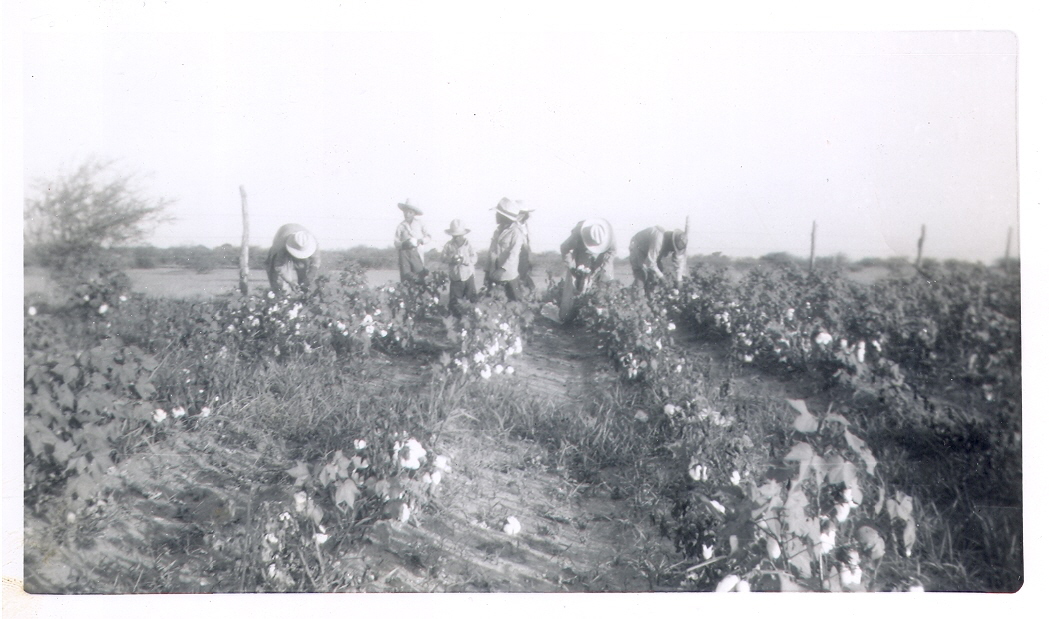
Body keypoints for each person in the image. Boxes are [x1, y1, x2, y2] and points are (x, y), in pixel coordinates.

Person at [558, 218, 616, 321]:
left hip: (602, 258)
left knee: (604, 283)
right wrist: (572, 267)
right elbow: (564, 247)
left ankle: (601, 318)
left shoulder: (609, 236)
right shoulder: (578, 233)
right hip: (582, 255)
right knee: (576, 286)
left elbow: (611, 252)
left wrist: (602, 268)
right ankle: (569, 317)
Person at [629, 219, 689, 293]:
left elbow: (678, 261)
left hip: (651, 251)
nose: (673, 251)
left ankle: (650, 295)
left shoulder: (675, 241)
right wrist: (662, 277)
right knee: (641, 273)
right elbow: (650, 262)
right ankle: (636, 296)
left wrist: (679, 280)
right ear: (672, 242)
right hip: (638, 248)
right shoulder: (658, 239)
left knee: (657, 273)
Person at [485, 198, 526, 302]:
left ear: (504, 217)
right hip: (494, 274)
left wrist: (502, 269)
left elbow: (514, 254)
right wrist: (487, 270)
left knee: (515, 305)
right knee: (494, 305)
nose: (496, 216)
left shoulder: (516, 232)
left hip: (509, 276)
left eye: (498, 214)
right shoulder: (497, 231)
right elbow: (491, 252)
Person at [266, 223, 320, 296]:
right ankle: (280, 299)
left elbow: (315, 263)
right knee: (279, 285)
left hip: (294, 237)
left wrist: (308, 279)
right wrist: (290, 281)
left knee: (304, 281)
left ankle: (302, 296)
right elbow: (278, 266)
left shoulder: (312, 242)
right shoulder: (280, 246)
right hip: (282, 239)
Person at [440, 219, 478, 316]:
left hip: (468, 276)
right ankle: (455, 320)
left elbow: (474, 258)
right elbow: (443, 258)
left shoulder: (468, 245)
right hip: (455, 277)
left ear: (463, 235)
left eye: (459, 236)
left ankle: (471, 319)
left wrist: (464, 260)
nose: (456, 238)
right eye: (454, 236)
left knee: (471, 299)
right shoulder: (449, 245)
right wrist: (451, 259)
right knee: (455, 301)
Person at [394, 199, 431, 283]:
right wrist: (403, 244)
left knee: (419, 276)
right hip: (404, 254)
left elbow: (428, 236)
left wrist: (421, 240)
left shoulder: (420, 223)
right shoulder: (401, 226)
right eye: (405, 212)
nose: (407, 214)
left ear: (414, 213)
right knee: (406, 277)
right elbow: (396, 242)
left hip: (417, 253)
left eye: (410, 212)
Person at [517, 202, 536, 291]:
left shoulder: (525, 226)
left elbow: (527, 243)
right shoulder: (513, 226)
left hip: (524, 255)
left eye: (522, 213)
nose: (520, 215)